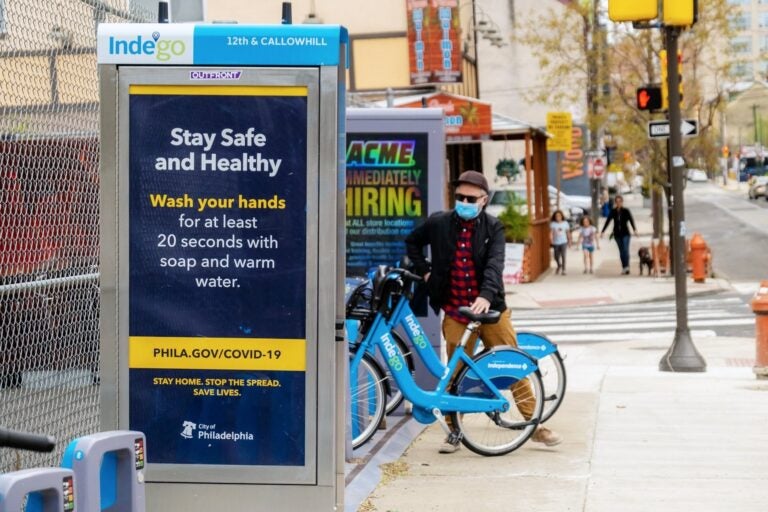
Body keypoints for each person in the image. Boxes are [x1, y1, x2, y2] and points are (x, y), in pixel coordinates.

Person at [405, 170, 562, 454]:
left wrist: (486, 296)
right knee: (456, 371)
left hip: (491, 310)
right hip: (455, 310)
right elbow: (412, 242)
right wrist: (426, 272)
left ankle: (534, 426)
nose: (463, 201)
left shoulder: (493, 227)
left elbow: (494, 264)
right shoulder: (439, 223)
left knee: (510, 365)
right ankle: (454, 431)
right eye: (459, 197)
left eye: (470, 198)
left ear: (484, 200)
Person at [600, 195, 638, 275]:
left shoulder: (626, 211)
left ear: (622, 202)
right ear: (615, 203)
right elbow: (608, 221)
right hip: (617, 234)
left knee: (625, 250)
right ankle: (624, 267)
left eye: (620, 201)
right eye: (617, 202)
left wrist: (635, 230)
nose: (618, 203)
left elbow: (631, 220)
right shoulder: (613, 211)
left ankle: (627, 266)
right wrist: (603, 231)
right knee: (621, 251)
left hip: (626, 233)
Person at [549, 210, 571, 275]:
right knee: (556, 256)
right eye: (556, 216)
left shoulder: (565, 223)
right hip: (556, 242)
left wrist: (569, 241)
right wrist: (551, 239)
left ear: (562, 216)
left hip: (564, 242)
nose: (558, 217)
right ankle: (559, 265)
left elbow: (568, 232)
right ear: (555, 217)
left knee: (563, 256)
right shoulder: (553, 224)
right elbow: (551, 233)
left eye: (559, 216)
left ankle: (564, 269)